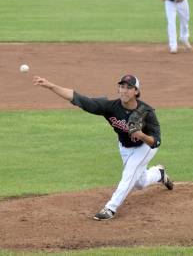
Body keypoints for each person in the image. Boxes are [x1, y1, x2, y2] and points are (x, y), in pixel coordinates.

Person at [33, 74, 173, 220]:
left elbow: (156, 142)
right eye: (122, 86)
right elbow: (78, 98)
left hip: (145, 147)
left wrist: (142, 135)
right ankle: (159, 173)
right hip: (125, 146)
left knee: (129, 173)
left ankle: (110, 208)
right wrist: (51, 86)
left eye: (129, 88)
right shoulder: (110, 107)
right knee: (140, 183)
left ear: (136, 92)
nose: (124, 90)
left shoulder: (147, 112)